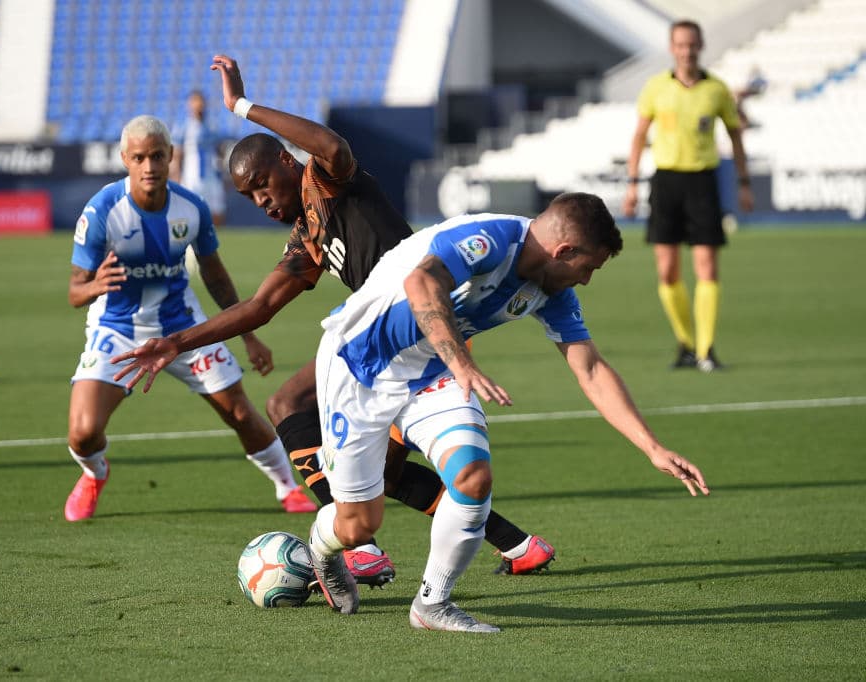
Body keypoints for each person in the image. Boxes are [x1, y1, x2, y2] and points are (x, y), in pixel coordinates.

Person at [112, 55, 556, 584]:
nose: (261, 201)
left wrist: (241, 106)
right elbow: (259, 307)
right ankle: (515, 545)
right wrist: (175, 341)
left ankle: (358, 548)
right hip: (384, 349)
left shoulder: (330, 180)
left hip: (420, 346)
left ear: (284, 160)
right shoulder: (308, 233)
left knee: (355, 462)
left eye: (261, 185)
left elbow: (331, 147)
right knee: (319, 430)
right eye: (249, 197)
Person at [306, 193, 710, 631]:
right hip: (357, 365)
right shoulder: (489, 239)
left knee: (473, 477)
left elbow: (590, 367)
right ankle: (321, 550)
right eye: (589, 268)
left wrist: (651, 447)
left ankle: (432, 605)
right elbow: (421, 285)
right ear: (564, 251)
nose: (587, 280)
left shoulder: (551, 289)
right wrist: (463, 363)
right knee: (358, 527)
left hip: (433, 373)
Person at [61, 114, 316, 522]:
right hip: (118, 329)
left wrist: (249, 338)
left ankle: (286, 485)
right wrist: (94, 287)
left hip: (183, 326)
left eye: (157, 156)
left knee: (238, 412)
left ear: (170, 157)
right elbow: (75, 291)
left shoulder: (191, 207)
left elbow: (214, 275)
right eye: (140, 158)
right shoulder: (102, 211)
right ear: (126, 159)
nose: (149, 167)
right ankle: (94, 474)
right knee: (83, 432)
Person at [622, 19, 754, 373]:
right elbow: (638, 137)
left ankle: (707, 349)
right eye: (680, 44)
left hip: (702, 182)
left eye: (692, 44)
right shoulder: (655, 88)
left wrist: (743, 182)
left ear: (701, 46)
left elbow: (736, 136)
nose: (687, 50)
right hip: (665, 182)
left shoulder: (717, 90)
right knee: (666, 271)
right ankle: (685, 343)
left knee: (707, 267)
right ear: (672, 47)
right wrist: (632, 183)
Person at [169, 90, 227, 226]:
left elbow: (220, 151)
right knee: (188, 212)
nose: (198, 105)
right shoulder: (183, 127)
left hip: (211, 177)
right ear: (189, 105)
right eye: (195, 102)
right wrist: (175, 177)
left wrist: (223, 173)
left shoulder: (212, 126)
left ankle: (215, 242)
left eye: (200, 102)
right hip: (191, 178)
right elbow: (177, 155)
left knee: (217, 212)